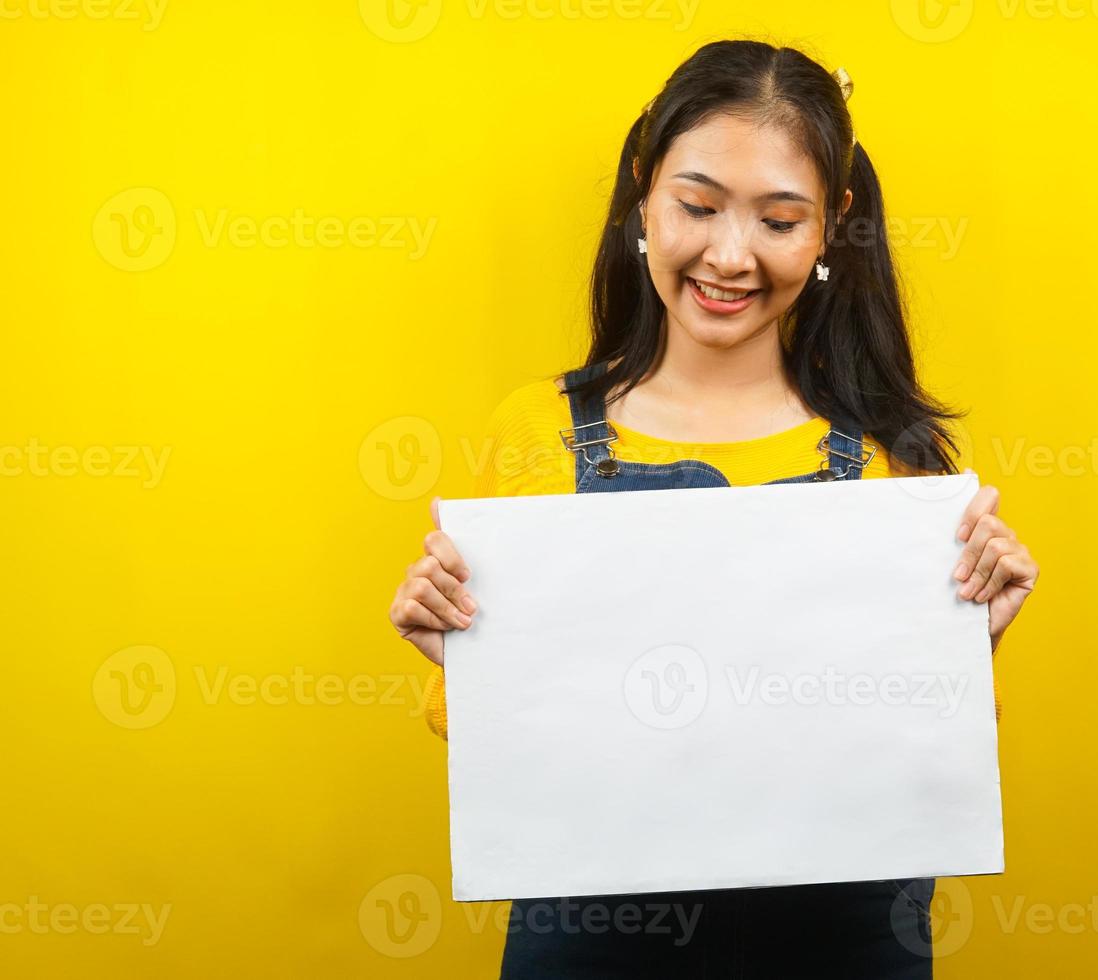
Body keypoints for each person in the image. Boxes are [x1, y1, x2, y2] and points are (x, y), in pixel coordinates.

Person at [387, 39, 1039, 979]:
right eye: (697, 206)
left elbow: (921, 750)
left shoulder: (904, 458)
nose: (730, 256)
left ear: (830, 228)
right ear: (645, 194)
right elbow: (501, 737)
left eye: (780, 220)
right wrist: (466, 648)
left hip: (846, 939)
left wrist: (974, 635)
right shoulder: (535, 434)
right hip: (592, 936)